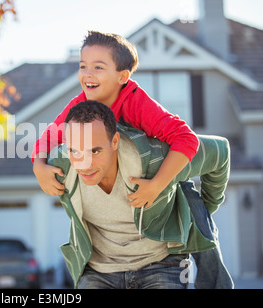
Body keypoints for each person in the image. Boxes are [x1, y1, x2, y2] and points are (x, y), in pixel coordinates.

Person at [32, 30, 233, 289]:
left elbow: (186, 139)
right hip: (105, 264)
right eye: (83, 66)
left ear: (122, 77)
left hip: (159, 206)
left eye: (98, 67)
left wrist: (157, 184)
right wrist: (39, 165)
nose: (87, 74)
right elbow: (49, 136)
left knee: (187, 197)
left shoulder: (136, 103)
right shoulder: (80, 109)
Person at [48, 100, 230, 289]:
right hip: (99, 270)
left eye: (95, 151)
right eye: (74, 151)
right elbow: (42, 151)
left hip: (161, 263)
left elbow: (220, 153)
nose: (84, 163)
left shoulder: (155, 160)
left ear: (114, 141)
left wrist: (207, 207)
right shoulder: (59, 167)